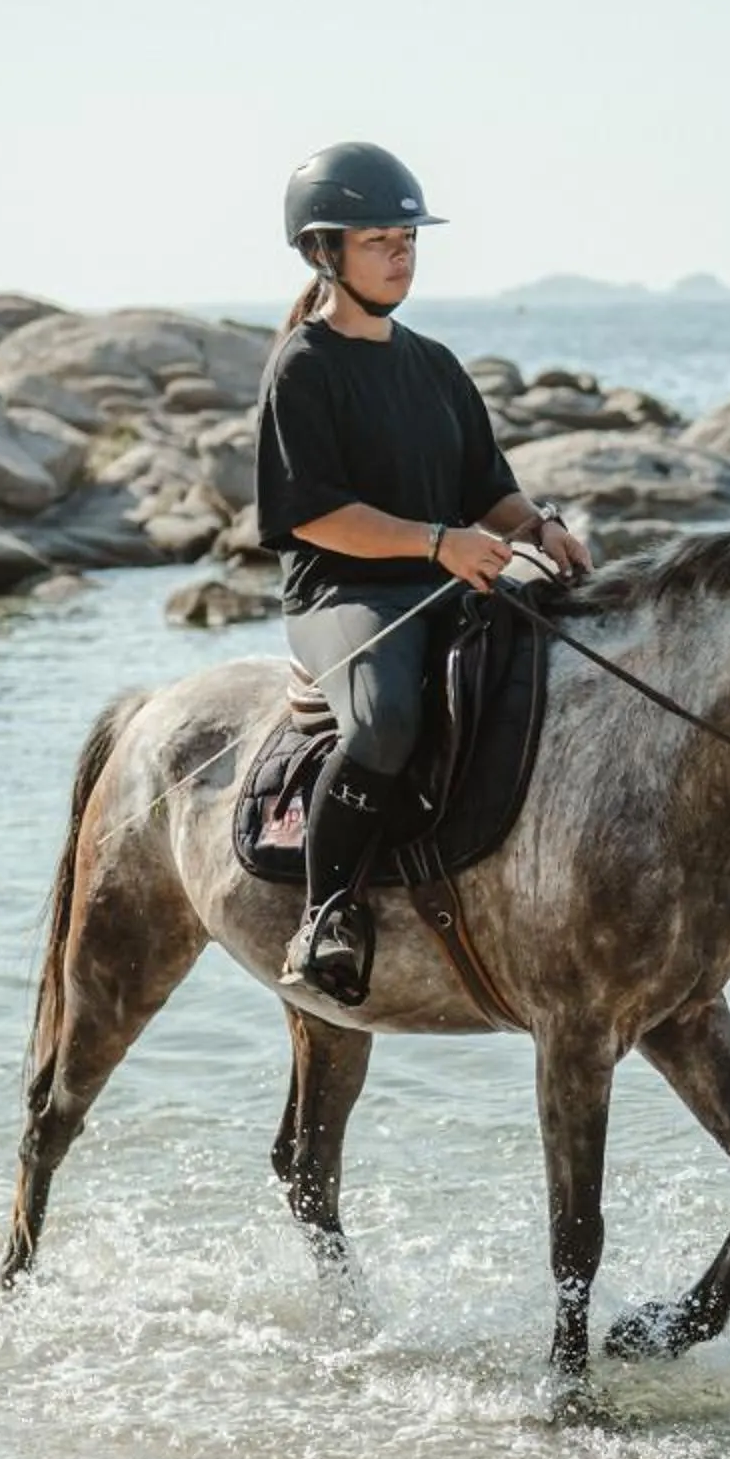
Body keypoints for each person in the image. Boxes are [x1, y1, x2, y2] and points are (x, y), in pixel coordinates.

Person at [249, 141, 591, 1002]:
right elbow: (315, 515)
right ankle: (327, 912)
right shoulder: (304, 368)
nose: (401, 254)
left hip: (445, 580)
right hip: (343, 593)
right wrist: (439, 544)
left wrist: (539, 527)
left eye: (407, 239)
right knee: (388, 719)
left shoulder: (434, 364)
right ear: (325, 251)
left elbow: (488, 489)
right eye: (378, 240)